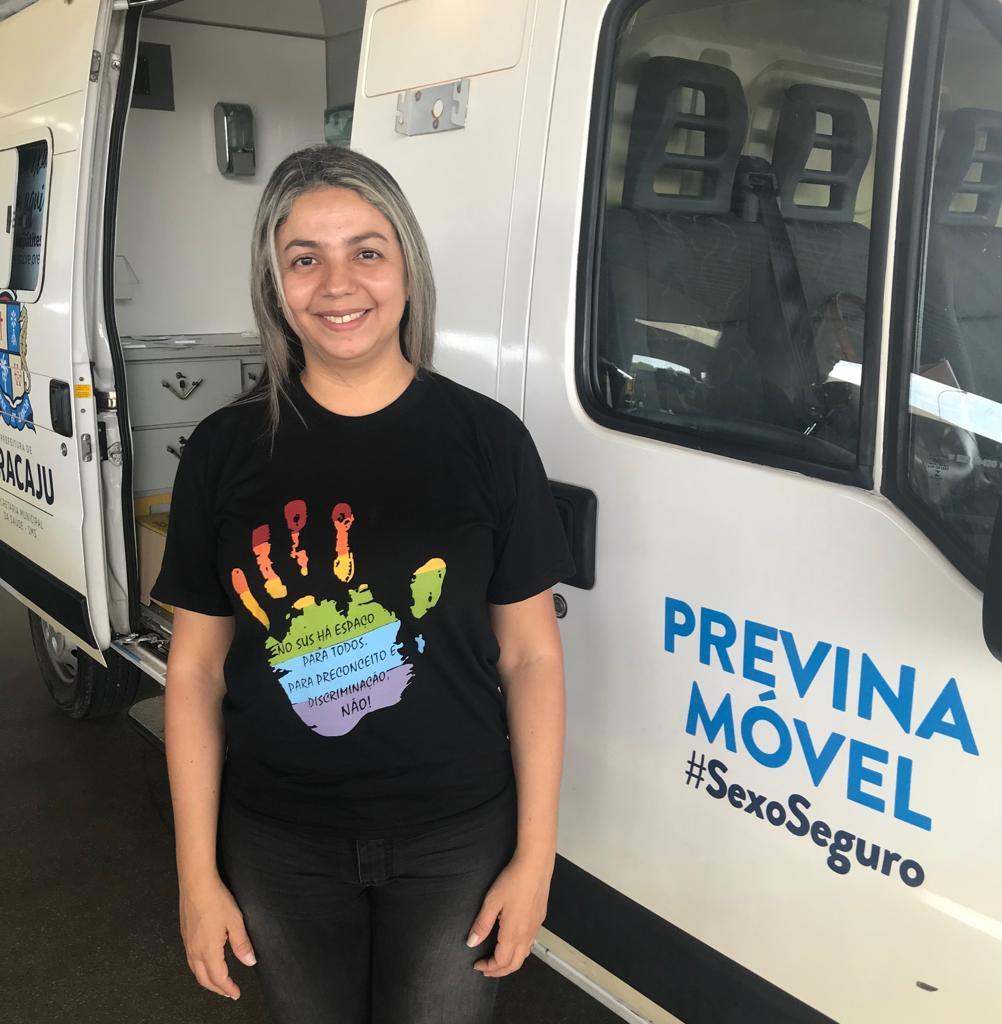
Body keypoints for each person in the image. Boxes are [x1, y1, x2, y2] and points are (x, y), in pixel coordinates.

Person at [151, 144, 576, 1024]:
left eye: (366, 252)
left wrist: (535, 857)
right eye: (305, 258)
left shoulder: (490, 442)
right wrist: (196, 875)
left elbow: (531, 657)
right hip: (279, 840)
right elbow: (193, 671)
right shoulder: (223, 451)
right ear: (275, 284)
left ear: (407, 269)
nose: (337, 284)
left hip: (456, 836)